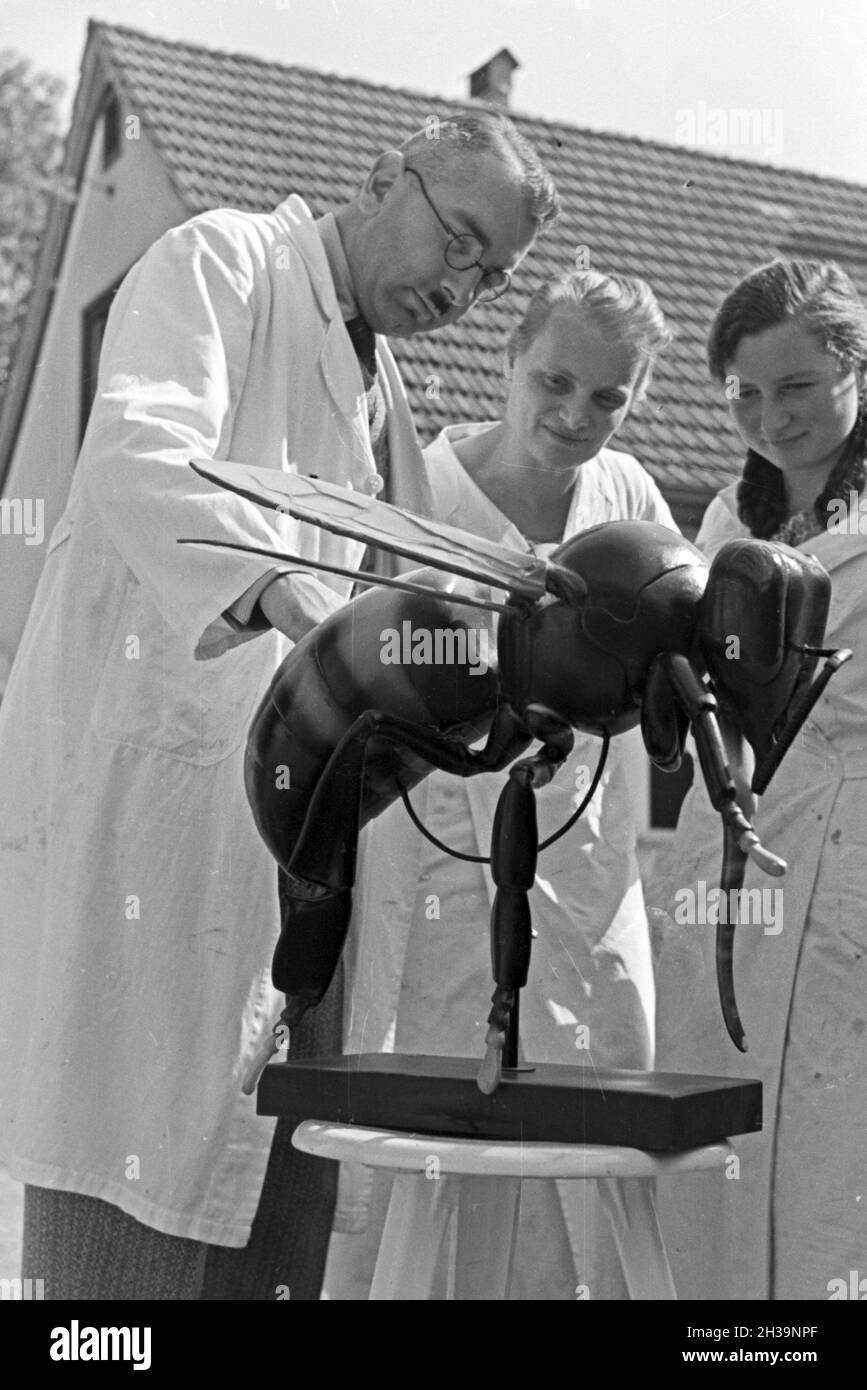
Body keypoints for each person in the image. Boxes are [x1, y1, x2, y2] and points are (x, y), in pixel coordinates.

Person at [0, 112, 558, 1300]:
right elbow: (141, 452)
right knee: (125, 1265)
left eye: (493, 276)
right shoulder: (223, 263)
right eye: (460, 240)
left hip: (308, 886)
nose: (465, 286)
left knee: (276, 1237)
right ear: (376, 172)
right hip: (164, 860)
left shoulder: (383, 400)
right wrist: (296, 599)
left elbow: (431, 595)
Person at [322, 268, 677, 1300]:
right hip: (438, 883)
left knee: (591, 1185)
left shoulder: (634, 507)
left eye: (610, 398)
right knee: (429, 1179)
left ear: (637, 398)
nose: (576, 415)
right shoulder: (416, 498)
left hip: (585, 883)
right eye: (556, 379)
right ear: (511, 357)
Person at [648, 258, 867, 1301]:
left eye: (797, 389)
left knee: (834, 1182)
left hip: (851, 866)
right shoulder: (727, 526)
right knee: (718, 1175)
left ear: (856, 372)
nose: (770, 418)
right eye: (745, 393)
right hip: (729, 866)